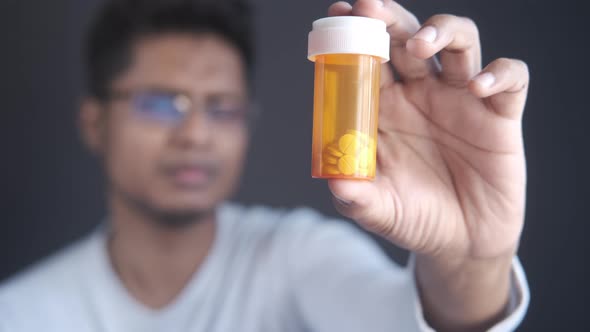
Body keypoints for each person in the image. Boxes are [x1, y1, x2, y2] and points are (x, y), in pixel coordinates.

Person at [0, 0, 531, 331]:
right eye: (162, 103)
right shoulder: (21, 314)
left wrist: (473, 261)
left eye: (222, 106)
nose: (196, 134)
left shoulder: (295, 257)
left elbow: (399, 320)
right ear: (94, 122)